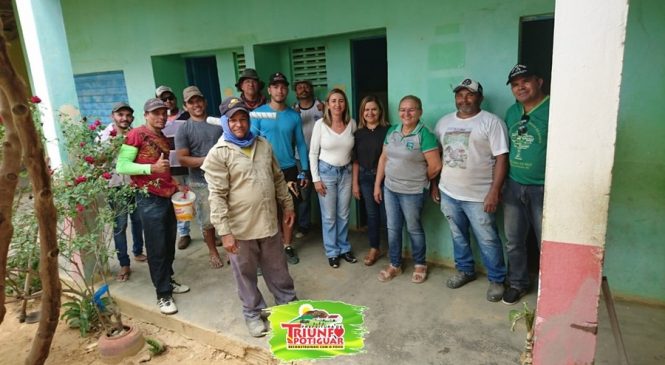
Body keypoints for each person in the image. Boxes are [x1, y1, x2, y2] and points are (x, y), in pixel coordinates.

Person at [202, 97, 297, 337]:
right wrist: (225, 232)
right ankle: (253, 313)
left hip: (268, 222)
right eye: (232, 120)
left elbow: (277, 178)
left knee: (278, 269)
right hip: (240, 229)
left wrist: (288, 205)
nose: (239, 124)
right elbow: (217, 196)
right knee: (245, 274)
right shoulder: (219, 153)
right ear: (225, 122)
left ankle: (287, 305)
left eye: (242, 118)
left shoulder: (263, 144)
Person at [432, 79, 508, 302]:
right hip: (449, 192)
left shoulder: (491, 122)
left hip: (479, 196)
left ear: (480, 98)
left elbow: (502, 158)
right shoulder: (443, 122)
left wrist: (494, 191)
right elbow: (437, 155)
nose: (464, 99)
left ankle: (496, 279)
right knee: (458, 236)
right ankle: (465, 270)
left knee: (487, 239)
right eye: (460, 95)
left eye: (470, 95)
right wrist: (434, 184)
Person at [116, 98, 190, 315]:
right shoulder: (136, 135)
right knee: (157, 246)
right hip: (148, 198)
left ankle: (168, 278)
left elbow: (164, 170)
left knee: (168, 242)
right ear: (146, 115)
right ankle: (163, 294)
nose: (161, 117)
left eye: (164, 113)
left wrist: (174, 184)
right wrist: (151, 168)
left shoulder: (162, 137)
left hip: (167, 195)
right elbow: (122, 165)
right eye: (156, 113)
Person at [374, 95, 441, 283]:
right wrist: (377, 185)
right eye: (403, 109)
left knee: (413, 228)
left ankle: (420, 264)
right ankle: (395, 265)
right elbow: (383, 158)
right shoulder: (393, 131)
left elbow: (435, 166)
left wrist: (418, 178)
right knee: (393, 228)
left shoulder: (425, 134)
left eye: (411, 109)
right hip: (390, 189)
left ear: (420, 112)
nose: (406, 113)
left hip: (412, 192)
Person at [501, 64, 550, 305]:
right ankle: (518, 283)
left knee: (547, 242)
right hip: (513, 185)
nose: (520, 87)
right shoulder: (512, 112)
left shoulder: (554, 108)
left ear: (539, 81)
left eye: (526, 81)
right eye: (515, 84)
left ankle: (550, 290)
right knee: (514, 239)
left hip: (543, 188)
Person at [251, 72, 309, 265]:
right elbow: (250, 141)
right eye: (275, 86)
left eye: (283, 86)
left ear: (287, 90)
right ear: (269, 90)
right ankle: (267, 251)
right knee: (266, 210)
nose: (280, 90)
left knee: (288, 208)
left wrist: (305, 170)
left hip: (289, 168)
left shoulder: (293, 116)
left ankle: (287, 245)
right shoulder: (259, 113)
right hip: (263, 168)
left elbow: (300, 143)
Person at [175, 86, 225, 269]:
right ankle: (212, 251)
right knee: (207, 220)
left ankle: (234, 247)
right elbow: (182, 159)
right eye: (191, 102)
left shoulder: (219, 123)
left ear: (204, 101)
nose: (196, 104)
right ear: (185, 106)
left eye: (198, 100)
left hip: (224, 178)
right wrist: (208, 160)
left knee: (231, 215)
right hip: (200, 181)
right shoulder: (184, 129)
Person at [309, 89, 358, 268]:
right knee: (329, 216)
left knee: (343, 214)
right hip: (326, 173)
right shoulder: (320, 125)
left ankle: (344, 248)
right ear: (328, 104)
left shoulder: (351, 124)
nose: (337, 104)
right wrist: (316, 179)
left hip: (346, 172)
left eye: (341, 101)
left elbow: (355, 150)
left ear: (345, 104)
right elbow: (313, 152)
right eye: (334, 101)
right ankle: (332, 251)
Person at [99, 102, 146, 282]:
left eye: (128, 115)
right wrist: (114, 145)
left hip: (134, 183)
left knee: (137, 220)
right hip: (115, 185)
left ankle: (138, 251)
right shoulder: (104, 136)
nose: (124, 118)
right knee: (120, 225)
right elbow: (97, 159)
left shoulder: (135, 134)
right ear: (113, 116)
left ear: (132, 118)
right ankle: (124, 263)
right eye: (121, 115)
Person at [352, 95, 389, 266]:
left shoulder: (388, 131)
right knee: (372, 215)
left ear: (380, 111)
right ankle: (374, 247)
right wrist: (355, 184)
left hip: (385, 179)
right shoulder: (358, 134)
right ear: (362, 113)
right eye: (366, 109)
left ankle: (394, 250)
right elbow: (356, 161)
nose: (370, 112)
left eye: (373, 109)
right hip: (365, 178)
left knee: (387, 216)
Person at [157, 85, 193, 249]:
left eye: (170, 98)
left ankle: (209, 232)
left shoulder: (186, 116)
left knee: (198, 199)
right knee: (180, 202)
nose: (168, 101)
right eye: (164, 99)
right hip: (172, 168)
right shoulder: (159, 121)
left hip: (190, 165)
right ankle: (184, 233)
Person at [292, 79, 324, 238]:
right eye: (299, 88)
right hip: (300, 159)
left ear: (311, 89)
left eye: (306, 87)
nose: (303, 90)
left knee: (324, 191)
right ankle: (304, 226)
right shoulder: (293, 110)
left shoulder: (321, 106)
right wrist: (293, 116)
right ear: (295, 92)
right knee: (303, 193)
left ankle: (325, 225)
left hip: (321, 157)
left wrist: (326, 111)